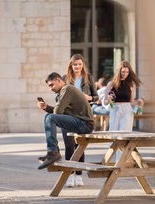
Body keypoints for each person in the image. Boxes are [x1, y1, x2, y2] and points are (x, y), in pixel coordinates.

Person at [37, 72, 94, 171]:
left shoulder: (67, 89)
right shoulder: (64, 91)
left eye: (51, 85)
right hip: (79, 122)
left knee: (50, 118)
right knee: (48, 116)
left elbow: (58, 112)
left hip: (85, 124)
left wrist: (53, 110)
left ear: (59, 80)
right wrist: (46, 107)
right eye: (49, 86)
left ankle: (53, 152)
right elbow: (59, 113)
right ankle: (53, 152)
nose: (50, 89)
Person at [62, 54, 98, 187]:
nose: (77, 66)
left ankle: (78, 175)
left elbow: (96, 97)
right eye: (75, 64)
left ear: (82, 65)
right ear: (71, 65)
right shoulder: (65, 79)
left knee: (80, 146)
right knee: (69, 145)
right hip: (67, 116)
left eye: (79, 64)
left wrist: (89, 98)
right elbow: (57, 98)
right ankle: (69, 175)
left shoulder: (88, 78)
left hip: (83, 116)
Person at [103, 61, 142, 161]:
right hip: (115, 110)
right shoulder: (111, 84)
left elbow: (131, 101)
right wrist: (109, 99)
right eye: (123, 71)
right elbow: (106, 101)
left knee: (125, 136)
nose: (125, 74)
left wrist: (138, 102)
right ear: (119, 71)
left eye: (127, 72)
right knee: (115, 136)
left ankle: (121, 162)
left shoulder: (131, 85)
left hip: (127, 111)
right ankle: (112, 161)